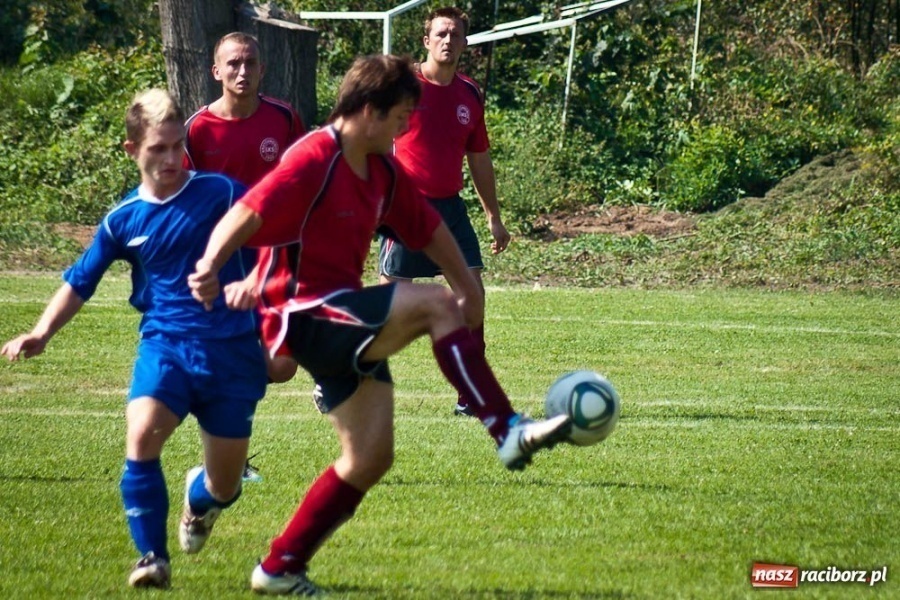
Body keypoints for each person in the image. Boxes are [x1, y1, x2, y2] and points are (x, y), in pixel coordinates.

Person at [188, 54, 572, 596]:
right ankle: (504, 427)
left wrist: (468, 285)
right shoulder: (315, 155)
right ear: (370, 110)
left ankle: (280, 567)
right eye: (401, 117)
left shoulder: (383, 171)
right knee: (434, 305)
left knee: (370, 457)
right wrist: (208, 265)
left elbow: (428, 227)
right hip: (299, 311)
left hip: (335, 311)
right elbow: (247, 212)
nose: (408, 126)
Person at [1, 89, 267, 589]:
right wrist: (41, 331)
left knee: (225, 485)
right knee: (142, 433)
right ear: (132, 150)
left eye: (176, 147)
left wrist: (263, 297)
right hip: (166, 344)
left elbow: (275, 239)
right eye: (157, 149)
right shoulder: (122, 220)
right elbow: (81, 280)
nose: (170, 159)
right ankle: (151, 557)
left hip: (233, 351)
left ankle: (199, 502)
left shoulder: (223, 193)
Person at [379, 7, 512, 417]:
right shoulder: (400, 86)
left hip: (451, 211)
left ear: (465, 43)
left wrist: (493, 215)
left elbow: (479, 156)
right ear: (426, 41)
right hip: (406, 207)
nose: (447, 40)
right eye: (440, 33)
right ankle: (342, 373)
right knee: (387, 309)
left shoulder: (469, 93)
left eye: (455, 34)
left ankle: (470, 393)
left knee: (473, 298)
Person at [184, 31, 306, 384]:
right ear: (216, 72)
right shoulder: (197, 129)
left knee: (282, 368)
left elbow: (303, 182)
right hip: (221, 254)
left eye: (250, 62)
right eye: (233, 63)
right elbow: (187, 200)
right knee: (202, 353)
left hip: (272, 254)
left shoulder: (284, 119)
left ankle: (231, 362)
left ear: (262, 68)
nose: (242, 71)